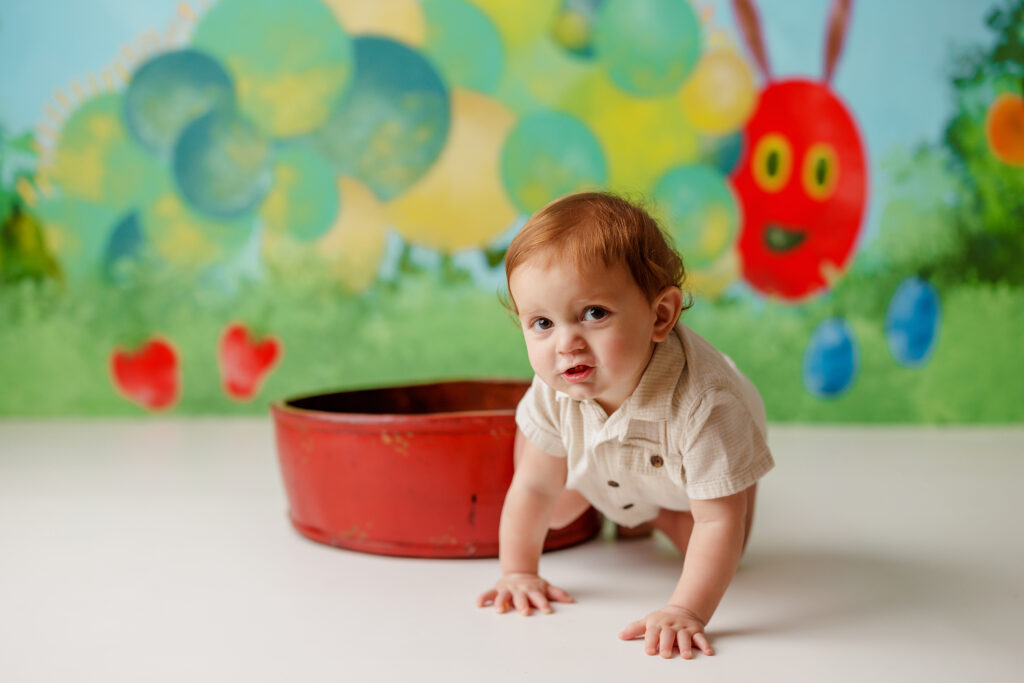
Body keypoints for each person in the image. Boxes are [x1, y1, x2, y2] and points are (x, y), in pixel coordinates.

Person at [476, 191, 775, 660]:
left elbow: (718, 520)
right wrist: (518, 572)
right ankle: (633, 506)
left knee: (715, 541)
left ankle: (652, 512)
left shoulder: (707, 405)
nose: (566, 343)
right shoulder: (555, 386)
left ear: (660, 316)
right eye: (541, 323)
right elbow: (533, 487)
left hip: (696, 459)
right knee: (551, 509)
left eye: (593, 313)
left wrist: (686, 611)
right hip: (610, 450)